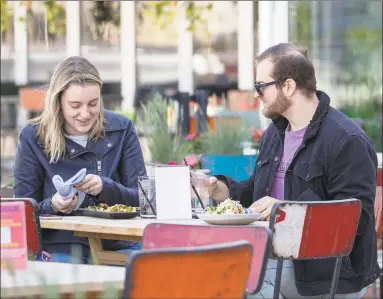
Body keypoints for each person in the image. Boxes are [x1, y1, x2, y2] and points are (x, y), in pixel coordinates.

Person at [203, 43, 381, 298]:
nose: (256, 95)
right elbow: (258, 195)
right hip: (274, 257)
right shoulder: (274, 135)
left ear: (288, 86)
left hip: (328, 272)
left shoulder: (346, 140)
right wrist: (219, 190)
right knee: (204, 274)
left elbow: (356, 220)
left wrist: (286, 210)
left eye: (260, 87)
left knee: (233, 285)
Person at [13, 56, 146, 264]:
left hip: (117, 245)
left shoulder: (121, 129)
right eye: (75, 105)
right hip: (59, 248)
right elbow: (21, 210)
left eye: (93, 104)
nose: (85, 114)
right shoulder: (33, 137)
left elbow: (143, 198)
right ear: (58, 102)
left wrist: (105, 187)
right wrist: (53, 205)